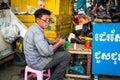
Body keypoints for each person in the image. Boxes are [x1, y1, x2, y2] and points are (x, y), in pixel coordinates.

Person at [23, 8, 71, 80]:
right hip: (37, 63)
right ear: (37, 20)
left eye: (49, 20)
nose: (47, 22)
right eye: (45, 20)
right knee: (67, 55)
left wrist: (56, 41)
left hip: (31, 60)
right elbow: (47, 52)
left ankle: (53, 71)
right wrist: (59, 43)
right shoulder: (37, 33)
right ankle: (55, 78)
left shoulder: (34, 28)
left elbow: (45, 40)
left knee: (60, 49)